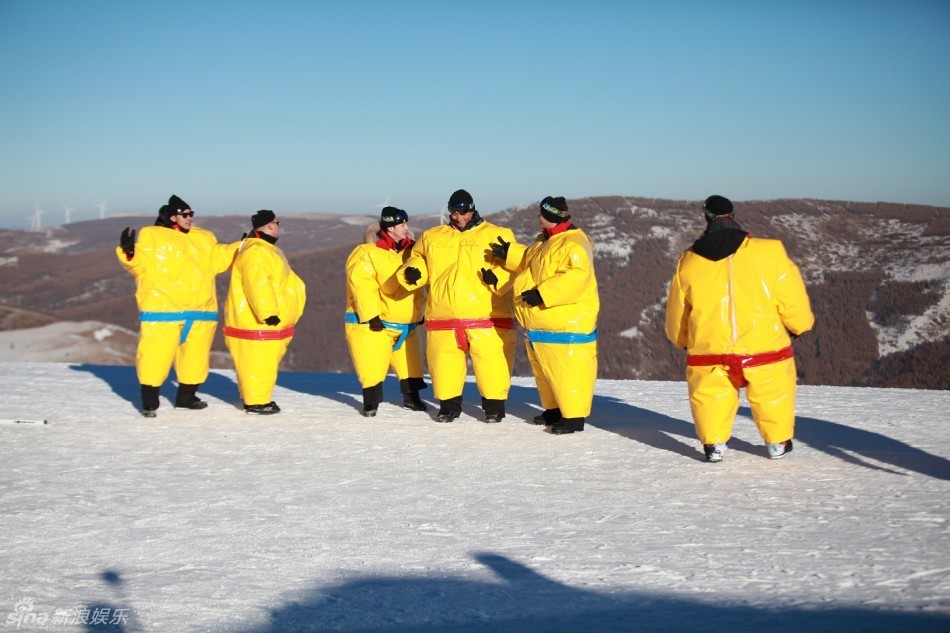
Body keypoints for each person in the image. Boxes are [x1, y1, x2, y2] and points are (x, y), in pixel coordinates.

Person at [664, 195, 815, 462]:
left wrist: (681, 339)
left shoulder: (689, 260)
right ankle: (777, 442)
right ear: (732, 215)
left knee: (710, 397)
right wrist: (799, 326)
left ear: (706, 217)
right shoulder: (769, 253)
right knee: (772, 393)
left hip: (709, 349)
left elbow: (679, 309)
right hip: (764, 345)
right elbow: (789, 295)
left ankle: (714, 445)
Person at [398, 189, 517, 423]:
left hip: (487, 313)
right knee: (444, 363)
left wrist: (497, 278)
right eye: (454, 212)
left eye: (464, 211)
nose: (459, 216)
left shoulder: (497, 234)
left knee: (492, 364)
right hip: (444, 313)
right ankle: (448, 406)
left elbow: (513, 263)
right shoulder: (433, 236)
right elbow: (419, 258)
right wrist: (413, 272)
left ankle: (494, 407)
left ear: (472, 209)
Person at [117, 194, 239, 417]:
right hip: (163, 311)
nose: (190, 218)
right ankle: (150, 401)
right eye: (185, 214)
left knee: (195, 358)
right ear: (171, 216)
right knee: (155, 356)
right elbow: (138, 265)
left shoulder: (203, 240)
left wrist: (242, 246)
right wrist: (129, 252)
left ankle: (187, 397)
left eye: (191, 213)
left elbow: (219, 257)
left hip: (200, 311)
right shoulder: (153, 239)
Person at [489, 196, 600, 435]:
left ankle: (573, 418)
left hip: (566, 326)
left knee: (567, 372)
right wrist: (510, 253)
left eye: (541, 214)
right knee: (545, 373)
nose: (538, 219)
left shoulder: (574, 245)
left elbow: (578, 277)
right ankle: (553, 410)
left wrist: (543, 293)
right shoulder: (545, 241)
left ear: (550, 216)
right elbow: (531, 260)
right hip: (543, 325)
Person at [344, 206, 428, 417]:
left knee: (411, 362)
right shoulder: (366, 253)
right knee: (372, 363)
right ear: (390, 228)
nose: (406, 229)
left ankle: (412, 397)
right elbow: (363, 284)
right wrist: (371, 314)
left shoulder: (411, 252)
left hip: (407, 322)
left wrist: (420, 311)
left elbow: (420, 285)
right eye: (402, 225)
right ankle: (371, 403)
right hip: (376, 323)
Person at [223, 210, 307, 415]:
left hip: (265, 324)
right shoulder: (257, 251)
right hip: (259, 324)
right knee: (258, 363)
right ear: (270, 225)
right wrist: (268, 312)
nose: (278, 227)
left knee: (262, 363)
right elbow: (257, 282)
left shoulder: (262, 249)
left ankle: (256, 398)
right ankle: (256, 402)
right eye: (276, 223)